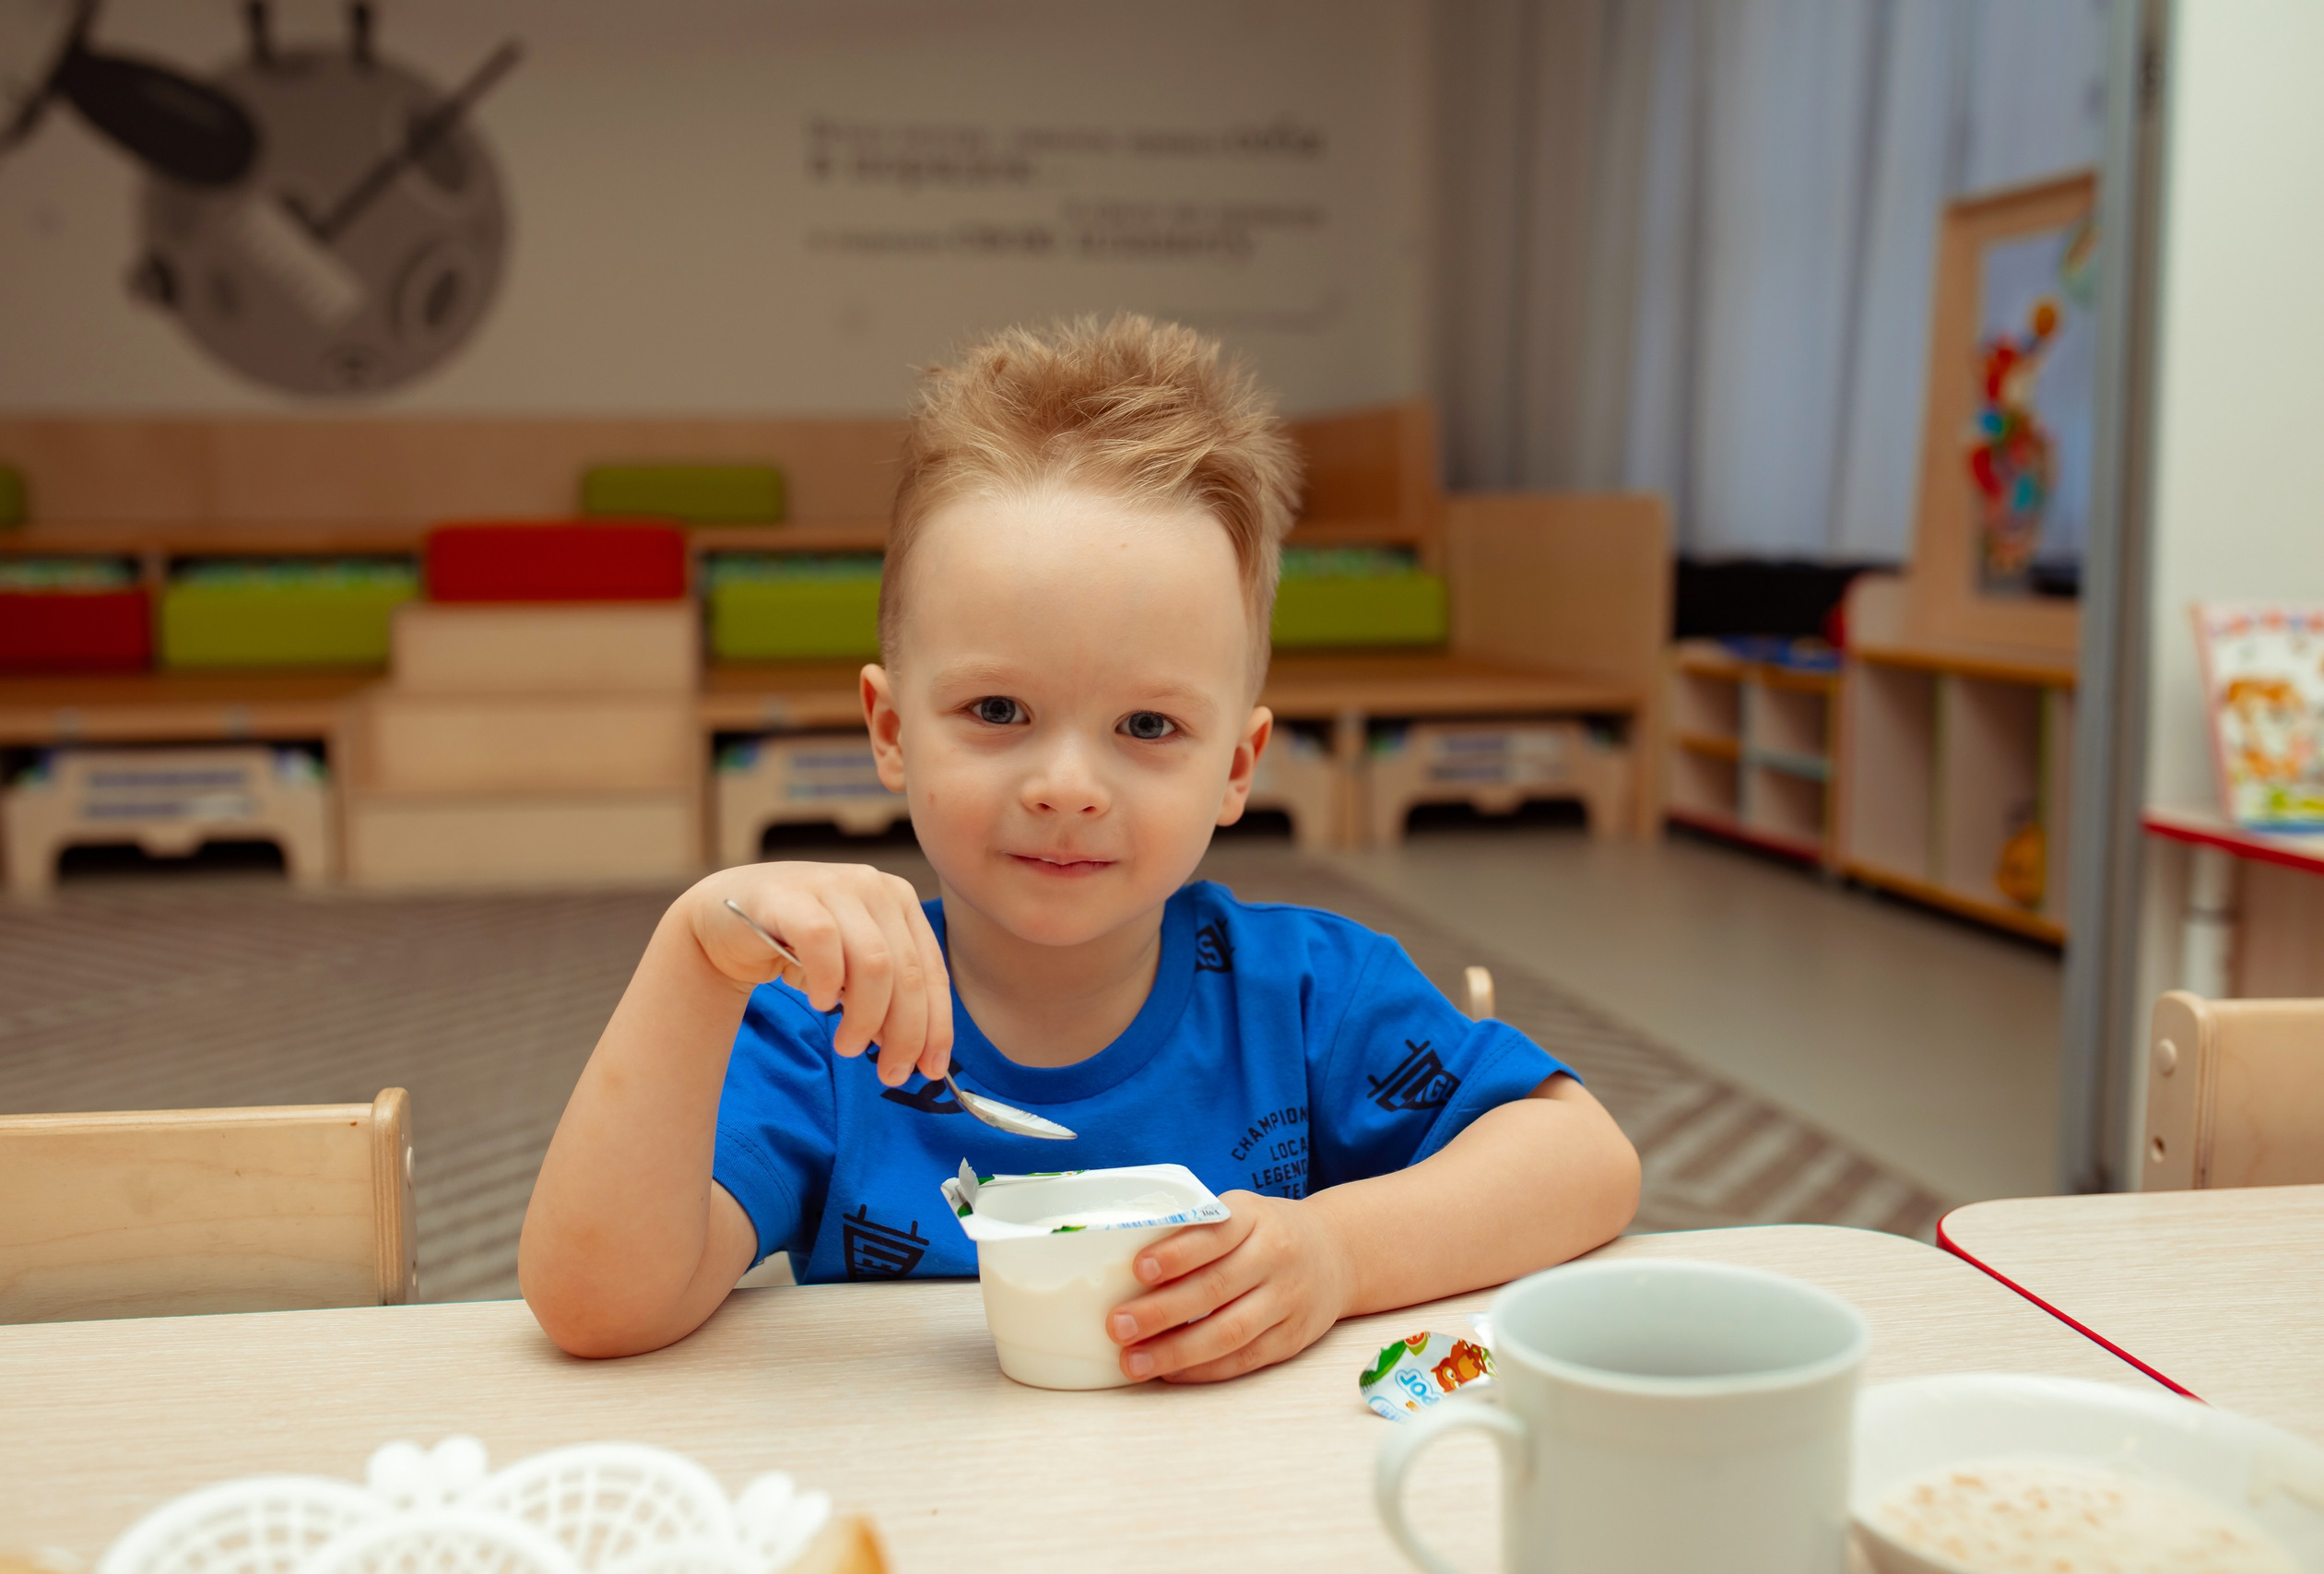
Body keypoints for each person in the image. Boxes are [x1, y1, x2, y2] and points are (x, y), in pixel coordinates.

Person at [519, 314, 1642, 1382]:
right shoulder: (823, 1018)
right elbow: (597, 1306)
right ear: (892, 732)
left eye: (1147, 728)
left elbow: (1585, 1159)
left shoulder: (1309, 999)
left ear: (1237, 769)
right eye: (999, 711)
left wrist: (1338, 1251)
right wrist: (692, 955)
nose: (1066, 788)